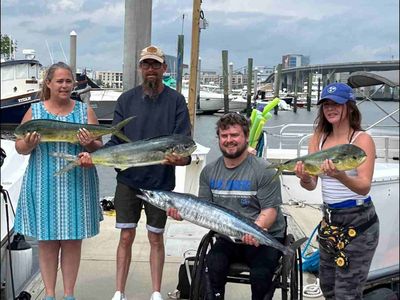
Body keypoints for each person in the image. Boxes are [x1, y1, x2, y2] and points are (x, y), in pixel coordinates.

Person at [80, 45, 191, 300]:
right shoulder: (125, 99)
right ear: (140, 68)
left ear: (164, 68)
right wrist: (92, 153)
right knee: (126, 235)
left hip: (160, 181)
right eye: (146, 65)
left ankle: (155, 292)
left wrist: (178, 160)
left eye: (155, 65)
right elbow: (115, 144)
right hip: (128, 179)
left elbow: (184, 145)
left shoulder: (176, 101)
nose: (150, 69)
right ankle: (119, 292)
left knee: (155, 237)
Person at [168, 113, 286, 300]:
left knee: (261, 275)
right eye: (224, 136)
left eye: (235, 135)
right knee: (211, 268)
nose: (229, 140)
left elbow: (269, 211)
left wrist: (256, 230)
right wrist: (182, 213)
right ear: (219, 139)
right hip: (227, 237)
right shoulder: (208, 172)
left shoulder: (264, 170)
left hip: (264, 236)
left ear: (246, 137)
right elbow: (204, 210)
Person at [13, 62, 103, 300]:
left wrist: (89, 144)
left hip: (77, 181)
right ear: (49, 84)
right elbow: (19, 147)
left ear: (73, 84)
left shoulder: (85, 112)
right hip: (44, 182)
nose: (64, 85)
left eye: (68, 81)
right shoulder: (35, 112)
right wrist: (29, 144)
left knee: (73, 240)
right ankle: (50, 294)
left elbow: (98, 148)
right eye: (60, 81)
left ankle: (69, 294)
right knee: (48, 240)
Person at [294, 82, 379, 299]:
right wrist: (304, 178)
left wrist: (339, 175)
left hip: (359, 223)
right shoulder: (318, 138)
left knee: (346, 294)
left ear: (349, 107)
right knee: (328, 288)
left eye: (336, 104)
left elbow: (363, 186)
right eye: (326, 104)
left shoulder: (362, 140)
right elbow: (311, 184)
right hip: (330, 222)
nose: (330, 109)